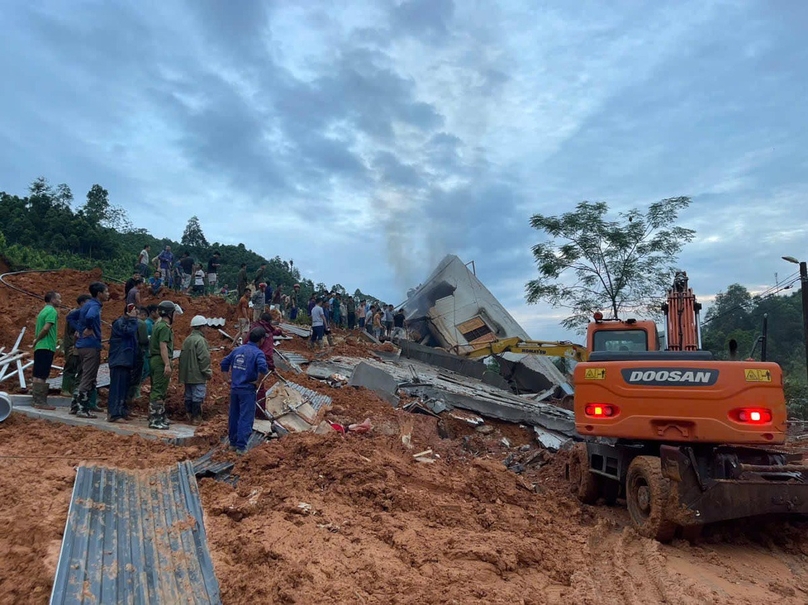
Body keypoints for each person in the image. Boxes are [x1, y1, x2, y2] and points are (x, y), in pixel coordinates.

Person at [220, 327, 268, 454]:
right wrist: (258, 382)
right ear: (262, 340)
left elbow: (224, 363)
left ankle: (233, 443)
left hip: (235, 389)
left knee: (234, 416)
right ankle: (241, 447)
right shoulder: (258, 353)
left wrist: (227, 380)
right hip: (247, 390)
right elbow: (263, 368)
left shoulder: (238, 350)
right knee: (245, 417)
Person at [74, 282, 110, 418]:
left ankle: (75, 406)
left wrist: (79, 330)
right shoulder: (94, 306)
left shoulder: (87, 304)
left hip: (83, 345)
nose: (107, 294)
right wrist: (89, 329)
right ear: (99, 293)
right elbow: (90, 317)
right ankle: (82, 408)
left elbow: (72, 317)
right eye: (106, 292)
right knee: (88, 377)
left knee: (84, 375)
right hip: (90, 346)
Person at [107, 304, 139, 422]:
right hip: (119, 360)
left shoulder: (127, 322)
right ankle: (114, 414)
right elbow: (129, 332)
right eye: (135, 311)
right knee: (117, 388)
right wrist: (133, 319)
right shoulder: (120, 323)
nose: (137, 314)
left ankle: (122, 411)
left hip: (126, 360)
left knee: (124, 388)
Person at [31, 290, 62, 410]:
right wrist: (38, 339)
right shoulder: (51, 311)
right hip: (47, 345)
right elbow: (46, 328)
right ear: (52, 300)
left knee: (37, 373)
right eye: (58, 298)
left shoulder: (43, 311)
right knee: (43, 374)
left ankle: (35, 399)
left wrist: (36, 341)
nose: (60, 301)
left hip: (40, 346)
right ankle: (40, 402)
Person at [148, 300, 176, 430]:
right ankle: (155, 420)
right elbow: (163, 346)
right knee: (158, 390)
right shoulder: (164, 327)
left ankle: (158, 416)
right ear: (170, 314)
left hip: (155, 360)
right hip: (160, 360)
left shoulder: (157, 325)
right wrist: (167, 364)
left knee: (157, 388)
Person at [179, 315, 212, 425]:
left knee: (188, 395)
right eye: (205, 327)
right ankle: (196, 418)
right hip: (198, 375)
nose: (207, 329)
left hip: (187, 375)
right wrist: (207, 372)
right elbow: (204, 358)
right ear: (201, 327)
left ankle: (188, 415)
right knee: (198, 396)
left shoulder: (187, 340)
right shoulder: (201, 341)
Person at [252, 312, 282, 416]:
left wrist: (279, 331)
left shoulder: (255, 328)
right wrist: (271, 366)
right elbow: (268, 352)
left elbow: (274, 331)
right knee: (259, 387)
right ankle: (259, 413)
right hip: (260, 361)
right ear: (269, 321)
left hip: (248, 359)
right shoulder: (267, 335)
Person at [61, 294, 91, 399]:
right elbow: (74, 332)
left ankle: (74, 389)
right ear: (82, 303)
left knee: (80, 367)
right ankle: (65, 388)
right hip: (73, 345)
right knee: (71, 366)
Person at [126, 307, 150, 406]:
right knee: (136, 379)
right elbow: (143, 340)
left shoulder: (123, 321)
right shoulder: (141, 324)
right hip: (138, 353)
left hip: (127, 354)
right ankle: (129, 402)